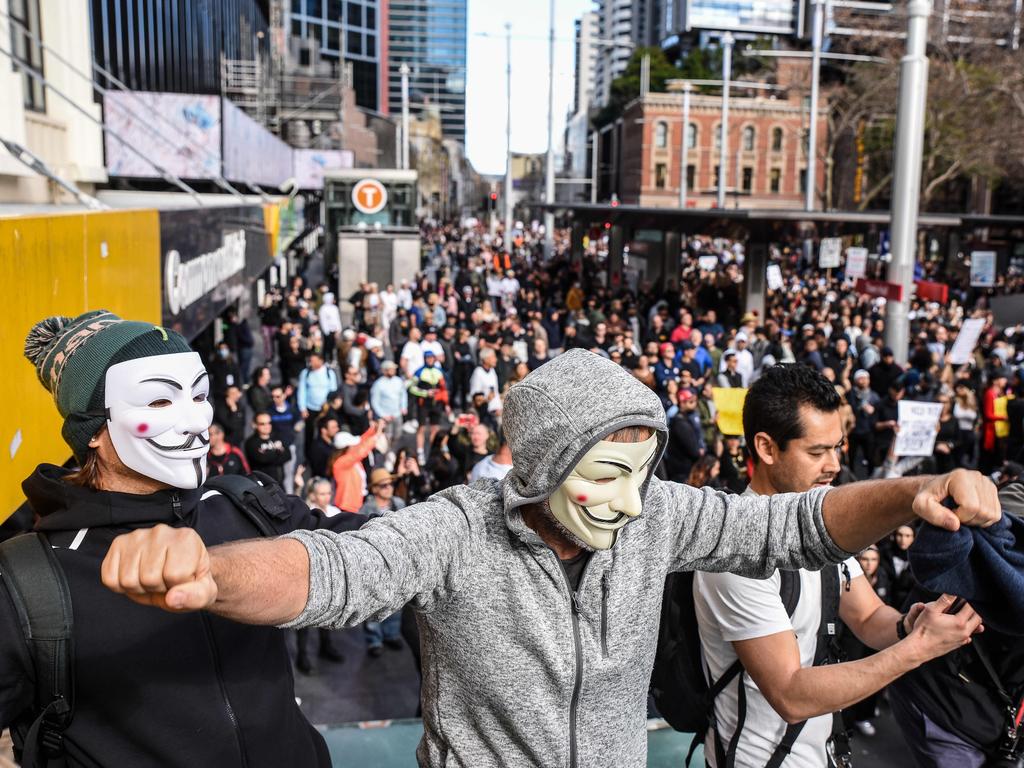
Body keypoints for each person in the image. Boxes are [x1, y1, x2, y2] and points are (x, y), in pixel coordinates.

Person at [102, 350, 1000, 768]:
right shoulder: (451, 530)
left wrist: (909, 492)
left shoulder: (659, 518)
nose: (633, 502)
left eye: (644, 473)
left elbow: (790, 526)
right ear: (534, 470)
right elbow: (331, 574)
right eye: (606, 474)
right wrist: (212, 572)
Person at [2, 310, 361, 767]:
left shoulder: (244, 504)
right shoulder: (25, 582)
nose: (197, 423)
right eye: (159, 402)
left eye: (200, 395)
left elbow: (372, 552)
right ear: (93, 430)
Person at [694, 364, 985, 768]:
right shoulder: (731, 552)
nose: (833, 465)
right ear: (765, 448)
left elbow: (867, 616)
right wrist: (918, 648)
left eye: (837, 448)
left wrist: (909, 625)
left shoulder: (823, 528)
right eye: (817, 452)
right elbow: (791, 695)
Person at [357, 468, 406, 657]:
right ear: (375, 489)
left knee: (397, 598)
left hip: (397, 558)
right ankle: (374, 639)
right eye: (384, 485)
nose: (389, 488)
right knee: (373, 599)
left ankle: (391, 634)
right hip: (374, 560)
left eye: (390, 484)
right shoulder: (366, 509)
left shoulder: (399, 503)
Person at [329, 422, 383, 513]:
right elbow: (361, 451)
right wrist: (377, 435)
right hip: (346, 507)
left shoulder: (351, 460)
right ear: (345, 448)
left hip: (356, 506)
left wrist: (373, 429)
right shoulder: (340, 463)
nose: (355, 446)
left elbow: (361, 441)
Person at [243, 413, 291, 488]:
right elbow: (262, 459)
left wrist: (269, 454)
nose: (267, 426)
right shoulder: (251, 442)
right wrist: (278, 451)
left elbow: (288, 455)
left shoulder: (277, 437)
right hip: (262, 486)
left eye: (269, 423)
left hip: (279, 484)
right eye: (262, 424)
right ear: (255, 425)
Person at [370, 360, 408, 445]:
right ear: (385, 370)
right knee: (387, 437)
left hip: (397, 414)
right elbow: (374, 402)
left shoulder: (398, 381)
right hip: (386, 416)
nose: (393, 371)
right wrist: (383, 415)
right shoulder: (378, 384)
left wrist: (403, 407)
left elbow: (403, 395)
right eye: (391, 369)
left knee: (398, 434)